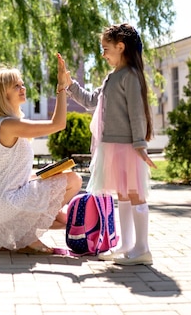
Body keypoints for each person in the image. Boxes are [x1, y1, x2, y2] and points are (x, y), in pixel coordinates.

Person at [64, 23, 157, 265]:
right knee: (123, 195)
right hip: (112, 147)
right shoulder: (111, 77)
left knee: (136, 194)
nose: (102, 54)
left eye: (106, 49)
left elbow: (137, 113)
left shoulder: (131, 77)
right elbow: (90, 101)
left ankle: (142, 248)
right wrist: (70, 84)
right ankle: (127, 245)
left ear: (121, 46)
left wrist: (140, 144)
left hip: (128, 146)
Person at [0, 53, 83, 255]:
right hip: (5, 204)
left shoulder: (3, 123)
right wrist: (61, 88)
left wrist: (42, 175)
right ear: (4, 94)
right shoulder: (9, 124)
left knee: (62, 219)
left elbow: (12, 174)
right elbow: (58, 124)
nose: (23, 88)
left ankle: (25, 237)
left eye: (22, 84)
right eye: (16, 86)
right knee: (74, 180)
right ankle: (28, 238)